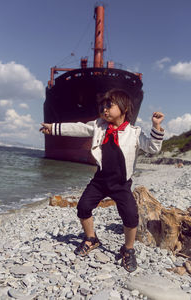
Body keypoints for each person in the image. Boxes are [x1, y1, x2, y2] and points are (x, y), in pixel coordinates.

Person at [40, 88, 164, 272]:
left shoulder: (135, 133)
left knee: (131, 216)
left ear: (124, 107)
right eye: (102, 106)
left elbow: (153, 148)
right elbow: (79, 128)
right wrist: (54, 128)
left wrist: (156, 127)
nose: (104, 109)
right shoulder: (99, 126)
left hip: (121, 183)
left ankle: (128, 249)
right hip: (100, 180)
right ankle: (91, 238)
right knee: (83, 207)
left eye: (109, 105)